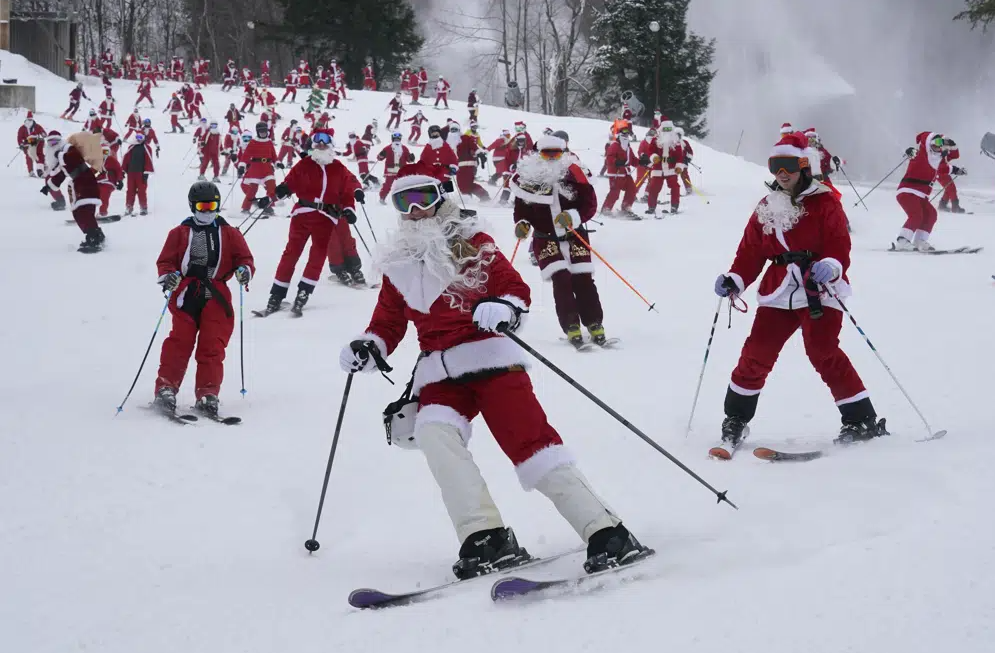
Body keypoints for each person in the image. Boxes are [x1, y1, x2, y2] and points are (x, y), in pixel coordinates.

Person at [338, 161, 649, 576]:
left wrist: (502, 306)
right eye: (404, 201)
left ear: (441, 197)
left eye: (423, 198)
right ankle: (485, 536)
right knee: (433, 434)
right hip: (439, 372)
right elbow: (388, 322)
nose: (415, 211)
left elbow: (513, 288)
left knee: (531, 446)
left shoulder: (469, 241)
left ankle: (605, 530)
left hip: (490, 358)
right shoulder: (399, 264)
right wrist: (370, 344)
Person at [712, 132, 887, 456]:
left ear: (803, 166)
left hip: (818, 289)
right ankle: (736, 419)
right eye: (775, 165)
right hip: (778, 291)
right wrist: (735, 279)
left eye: (788, 165)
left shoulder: (825, 203)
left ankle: (861, 419)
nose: (782, 172)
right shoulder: (767, 206)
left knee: (822, 351)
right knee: (756, 353)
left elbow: (839, 245)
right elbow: (750, 252)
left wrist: (831, 266)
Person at [153, 182, 255, 418]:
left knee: (213, 345)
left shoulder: (230, 233)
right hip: (187, 293)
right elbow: (165, 261)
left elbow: (245, 258)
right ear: (193, 206)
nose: (208, 212)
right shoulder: (179, 233)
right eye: (203, 206)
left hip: (216, 296)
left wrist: (244, 270)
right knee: (180, 342)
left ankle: (208, 393)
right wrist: (169, 276)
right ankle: (166, 388)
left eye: (213, 206)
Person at [511, 133, 608, 347]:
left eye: (557, 153)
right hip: (545, 238)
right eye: (547, 154)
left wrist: (574, 217)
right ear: (538, 154)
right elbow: (521, 209)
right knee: (561, 278)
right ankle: (571, 324)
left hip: (575, 235)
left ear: (564, 153)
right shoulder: (528, 178)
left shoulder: (576, 173)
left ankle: (594, 322)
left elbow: (590, 205)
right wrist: (522, 224)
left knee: (583, 279)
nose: (552, 158)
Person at [256, 128, 362, 315]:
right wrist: (274, 195)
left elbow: (346, 192)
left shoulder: (338, 168)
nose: (321, 143)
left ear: (331, 144)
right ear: (313, 144)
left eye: (325, 140)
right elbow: (289, 184)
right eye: (317, 140)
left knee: (318, 256)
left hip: (326, 218)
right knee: (291, 254)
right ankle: (276, 296)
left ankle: (304, 292)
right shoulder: (304, 164)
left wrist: (349, 209)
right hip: (302, 214)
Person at [43, 131, 105, 252]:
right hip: (79, 183)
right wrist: (49, 186)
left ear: (60, 141)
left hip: (86, 181)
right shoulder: (61, 155)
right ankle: (96, 235)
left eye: (55, 141)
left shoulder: (68, 149)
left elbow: (75, 158)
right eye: (50, 142)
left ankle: (94, 239)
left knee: (84, 211)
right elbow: (61, 174)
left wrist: (61, 156)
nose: (52, 144)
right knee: (78, 212)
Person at [893, 132, 948, 252]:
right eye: (935, 144)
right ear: (928, 144)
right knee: (916, 215)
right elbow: (914, 154)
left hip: (920, 195)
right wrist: (910, 151)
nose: (938, 147)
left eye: (940, 144)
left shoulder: (936, 159)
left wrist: (957, 170)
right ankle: (902, 241)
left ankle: (920, 241)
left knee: (931, 214)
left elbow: (944, 168)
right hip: (908, 192)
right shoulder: (921, 154)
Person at [237, 121, 278, 215]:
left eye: (265, 131)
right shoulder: (253, 142)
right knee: (252, 189)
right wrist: (242, 166)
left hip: (267, 168)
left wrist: (277, 163)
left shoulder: (269, 142)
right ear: (258, 132)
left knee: (272, 186)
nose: (263, 133)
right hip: (256, 168)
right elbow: (246, 155)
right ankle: (245, 208)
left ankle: (268, 207)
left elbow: (274, 155)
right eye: (261, 132)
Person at [121, 132, 154, 216]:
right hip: (131, 173)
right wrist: (123, 170)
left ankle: (143, 208)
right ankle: (129, 207)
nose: (139, 139)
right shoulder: (131, 147)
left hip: (141, 173)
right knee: (130, 191)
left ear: (143, 138)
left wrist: (146, 172)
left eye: (140, 137)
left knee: (141, 191)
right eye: (137, 137)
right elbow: (126, 159)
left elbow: (148, 160)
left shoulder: (146, 148)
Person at [936, 138, 966, 214]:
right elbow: (940, 166)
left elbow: (956, 155)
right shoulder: (936, 153)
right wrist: (955, 170)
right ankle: (955, 208)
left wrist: (954, 146)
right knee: (951, 189)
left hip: (944, 172)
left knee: (949, 188)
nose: (947, 144)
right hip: (940, 172)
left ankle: (942, 205)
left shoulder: (945, 152)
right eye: (945, 142)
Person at [17, 112, 46, 177]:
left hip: (37, 143)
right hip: (27, 144)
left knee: (39, 156)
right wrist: (21, 144)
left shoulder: (37, 126)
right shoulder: (22, 128)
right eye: (28, 119)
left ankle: (40, 170)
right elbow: (19, 137)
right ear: (26, 119)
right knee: (29, 156)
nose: (30, 120)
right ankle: (31, 171)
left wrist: (43, 134)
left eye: (31, 119)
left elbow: (43, 132)